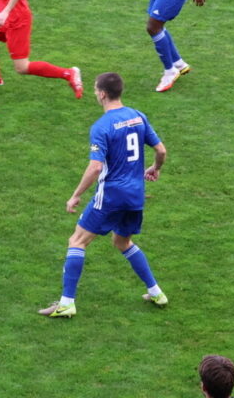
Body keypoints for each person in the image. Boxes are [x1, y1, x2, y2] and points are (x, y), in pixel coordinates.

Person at [38, 72, 167, 318]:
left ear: (102, 94)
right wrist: (155, 168)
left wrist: (75, 195)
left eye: (96, 90)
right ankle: (156, 292)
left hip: (111, 195)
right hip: (135, 195)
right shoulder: (138, 116)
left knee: (77, 241)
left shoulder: (102, 127)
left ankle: (66, 303)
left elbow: (96, 167)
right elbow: (160, 150)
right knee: (122, 242)